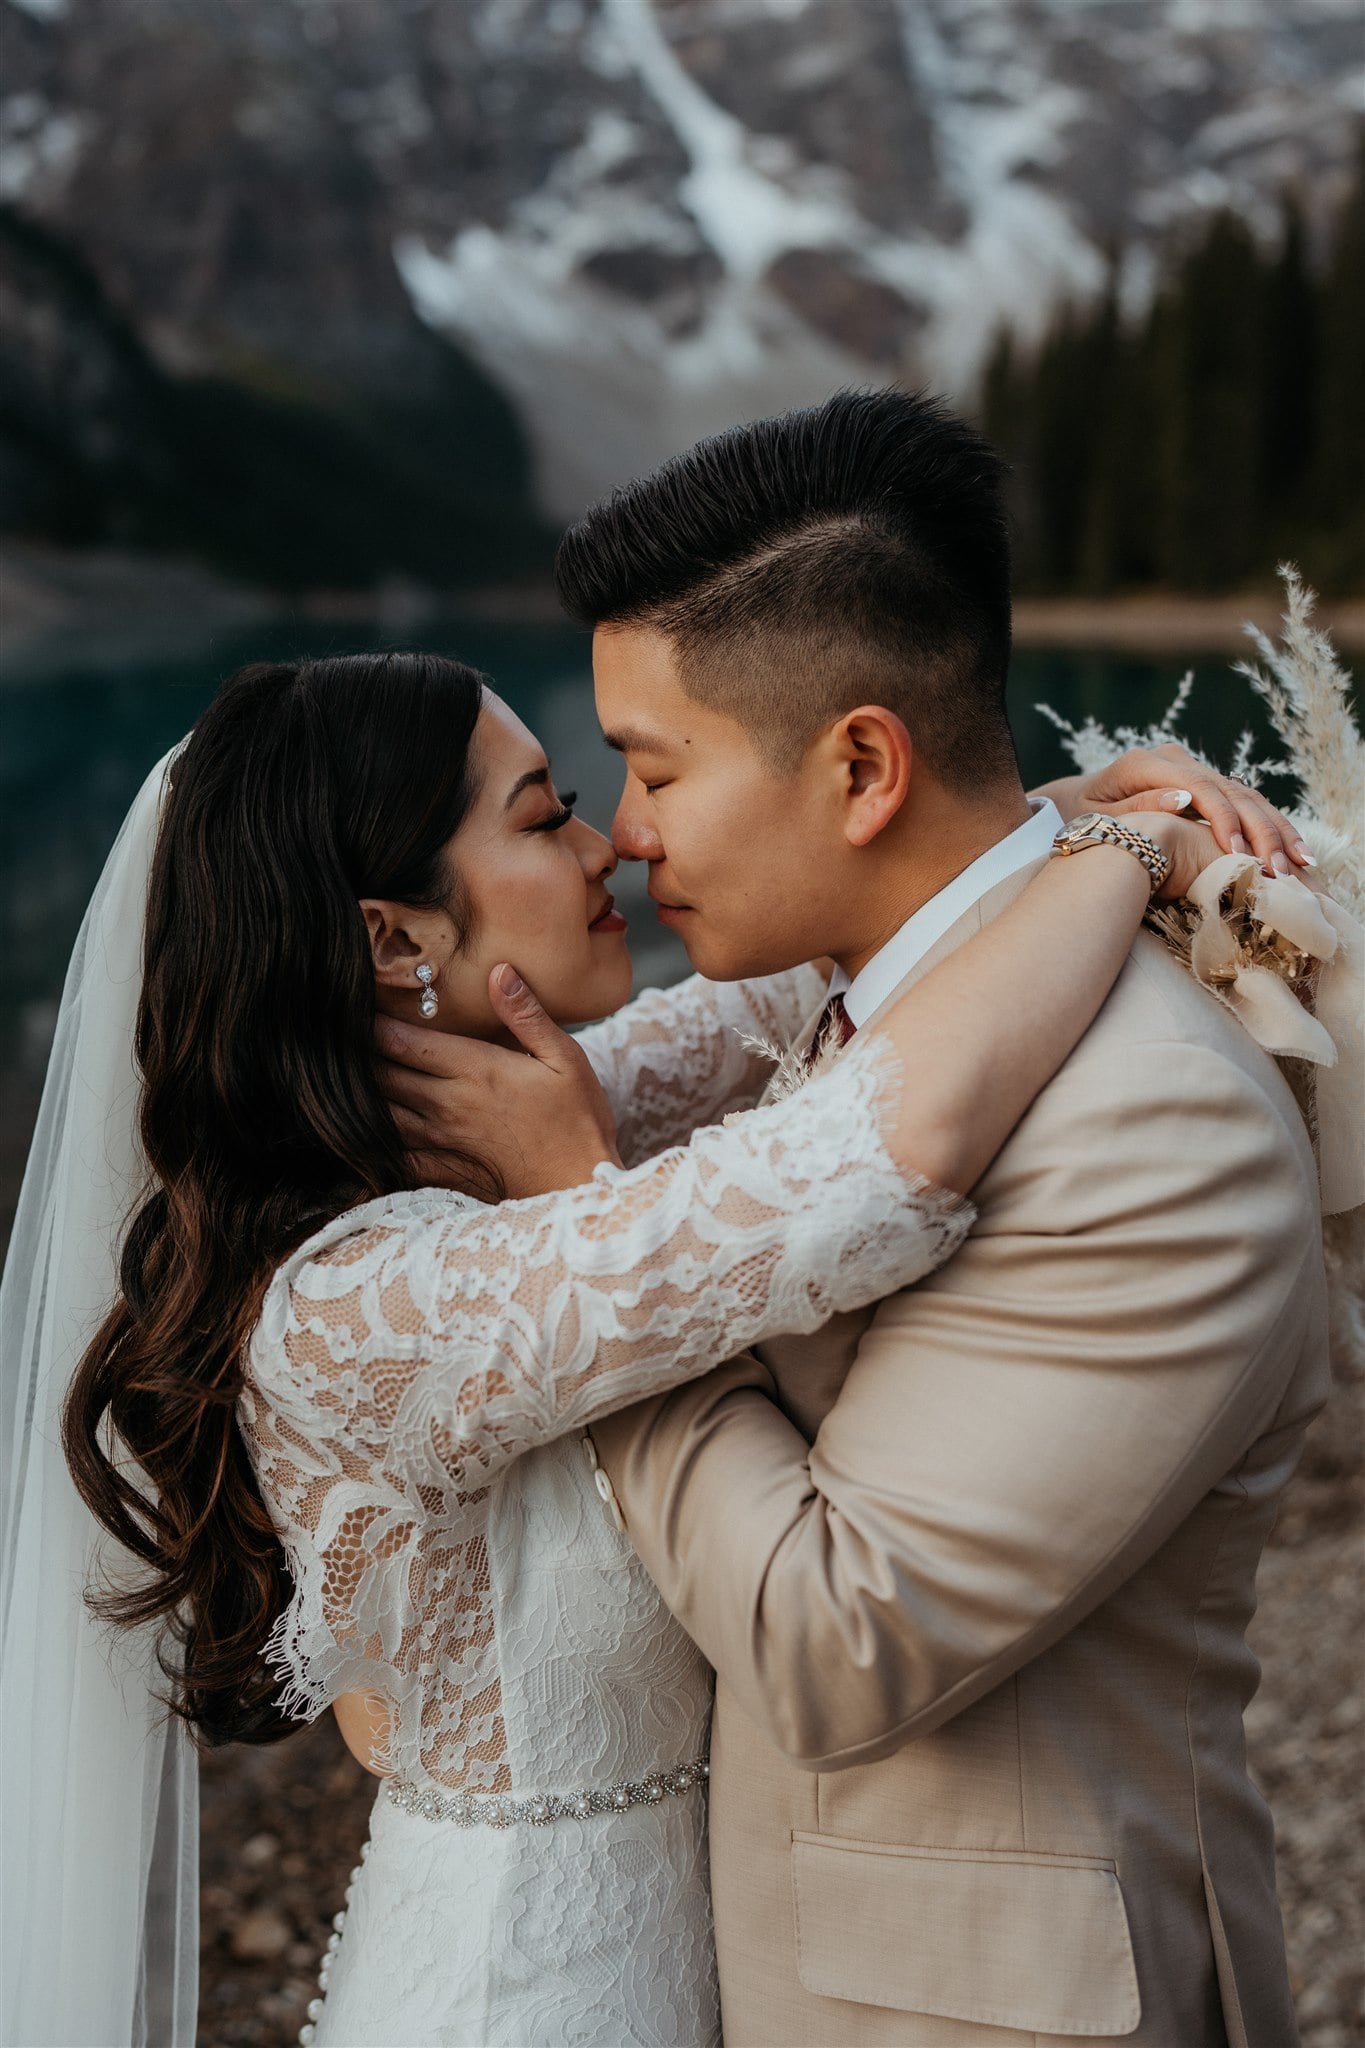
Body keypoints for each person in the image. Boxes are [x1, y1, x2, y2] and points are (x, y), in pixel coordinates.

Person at [0, 642, 1281, 2048]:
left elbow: (818, 977)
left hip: (696, 1962)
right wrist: (1117, 854)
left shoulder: (530, 1123)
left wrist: (1055, 805)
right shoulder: (359, 1305)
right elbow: (868, 1158)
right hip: (526, 1994)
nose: (610, 840)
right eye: (545, 817)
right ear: (393, 939)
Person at [375, 392, 1351, 2048]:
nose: (624, 831)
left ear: (860, 765)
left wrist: (584, 1228)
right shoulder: (851, 1004)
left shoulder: (1150, 1122)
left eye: (656, 764)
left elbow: (839, 1640)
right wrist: (1100, 821)